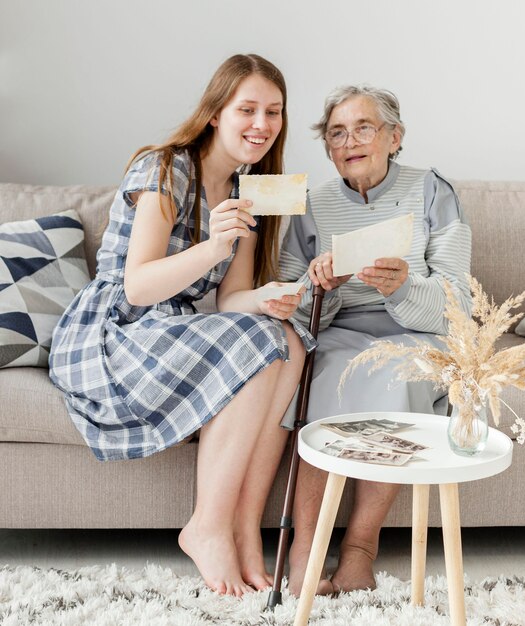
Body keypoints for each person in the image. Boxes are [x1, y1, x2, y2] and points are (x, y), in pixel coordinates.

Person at [48, 54, 315, 597]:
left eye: (273, 112)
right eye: (247, 109)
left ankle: (243, 523)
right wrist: (216, 245)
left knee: (290, 339)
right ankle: (207, 524)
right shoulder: (164, 167)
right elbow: (137, 287)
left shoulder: (249, 191)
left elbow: (232, 297)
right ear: (216, 112)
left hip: (174, 326)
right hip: (115, 331)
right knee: (261, 345)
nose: (261, 125)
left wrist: (266, 297)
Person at [279, 85, 472, 595]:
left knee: (397, 379)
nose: (350, 141)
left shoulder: (433, 191)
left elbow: (458, 303)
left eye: (364, 128)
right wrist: (321, 288)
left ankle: (361, 546)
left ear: (394, 136)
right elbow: (289, 299)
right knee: (320, 381)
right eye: (337, 133)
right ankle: (306, 548)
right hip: (339, 330)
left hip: (416, 332)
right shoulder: (312, 203)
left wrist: (403, 284)